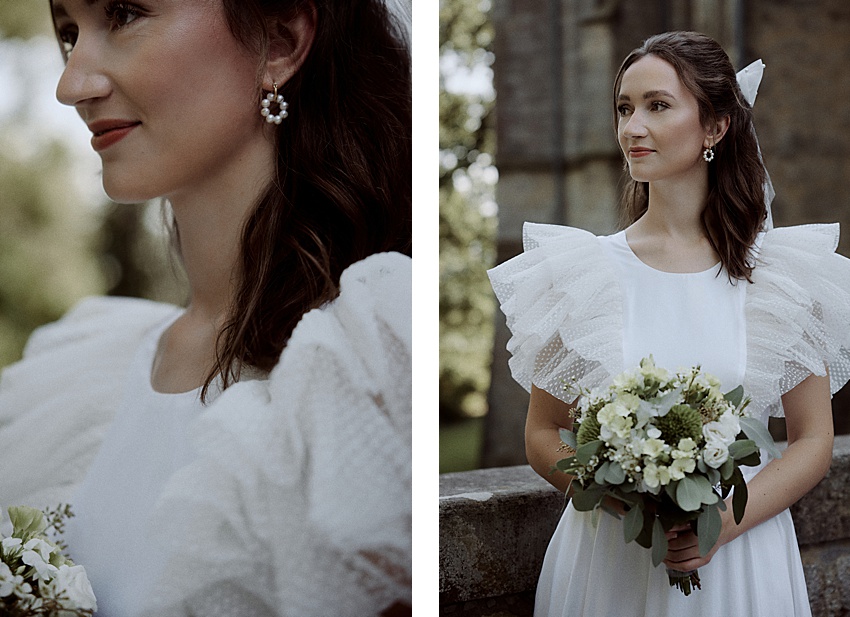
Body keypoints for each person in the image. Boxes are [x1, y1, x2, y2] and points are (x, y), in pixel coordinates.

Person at [0, 1, 412, 615]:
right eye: (68, 33)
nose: (71, 86)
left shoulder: (373, 366)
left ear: (280, 39)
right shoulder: (70, 371)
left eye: (123, 13)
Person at [488, 31, 850, 616]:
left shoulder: (782, 277)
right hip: (611, 562)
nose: (632, 127)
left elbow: (812, 439)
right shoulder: (581, 273)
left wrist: (719, 526)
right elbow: (542, 434)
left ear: (714, 128)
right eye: (624, 108)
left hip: (742, 558)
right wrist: (630, 504)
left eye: (657, 106)